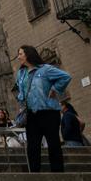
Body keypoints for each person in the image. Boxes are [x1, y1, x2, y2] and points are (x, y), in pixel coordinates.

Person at [15, 44, 71, 172]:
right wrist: (21, 101)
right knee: (32, 146)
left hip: (49, 112)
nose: (18, 57)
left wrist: (55, 88)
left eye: (20, 54)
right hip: (31, 113)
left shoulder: (45, 69)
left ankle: (58, 173)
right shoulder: (21, 73)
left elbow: (65, 77)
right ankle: (35, 174)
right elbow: (21, 91)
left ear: (28, 55)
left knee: (53, 144)